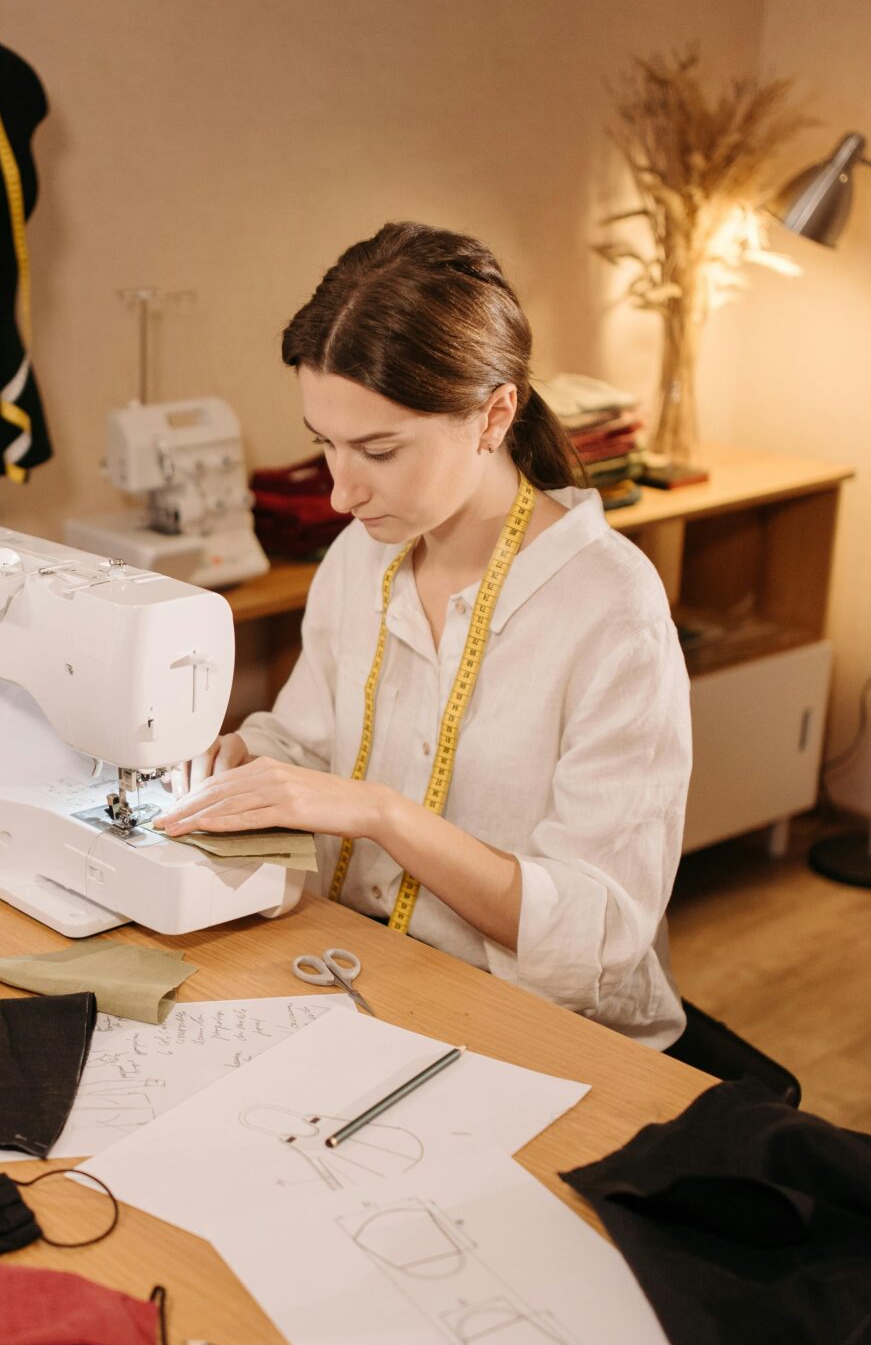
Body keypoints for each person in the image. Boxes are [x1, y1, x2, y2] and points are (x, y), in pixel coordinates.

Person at [156, 223, 692, 1049]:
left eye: (377, 450)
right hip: (361, 973)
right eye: (325, 446)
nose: (339, 493)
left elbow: (598, 938)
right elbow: (307, 740)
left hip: (546, 1031)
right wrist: (247, 761)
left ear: (493, 415)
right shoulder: (357, 558)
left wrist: (382, 815)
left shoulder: (609, 610)